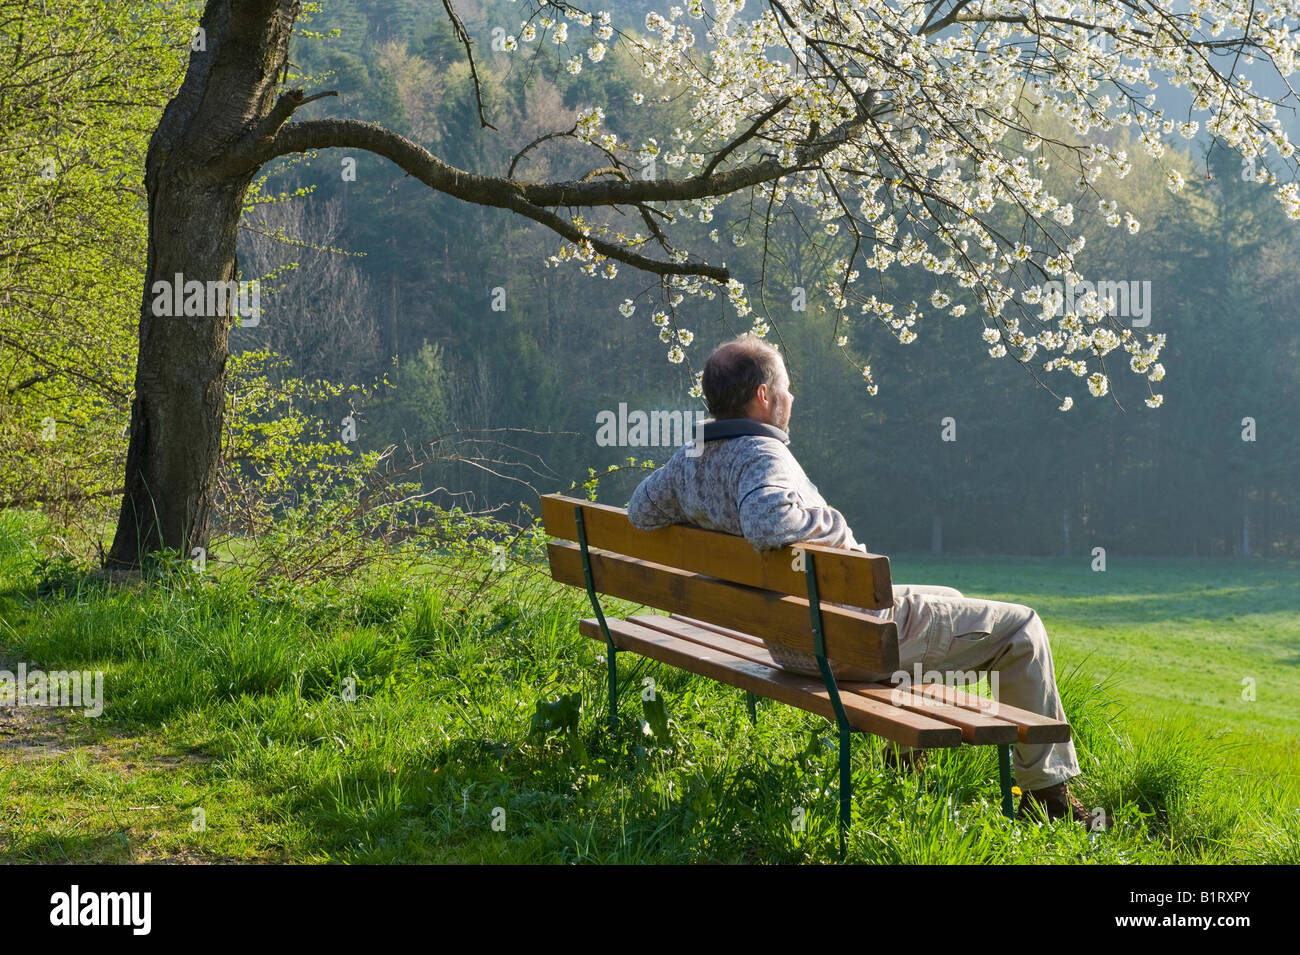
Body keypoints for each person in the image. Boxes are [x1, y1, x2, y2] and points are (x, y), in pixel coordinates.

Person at [626, 332, 1097, 828]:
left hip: (789, 639)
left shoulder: (693, 458)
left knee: (949, 598)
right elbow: (767, 522)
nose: (792, 397)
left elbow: (639, 512)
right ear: (763, 396)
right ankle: (1046, 794)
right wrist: (833, 524)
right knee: (1023, 627)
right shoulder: (761, 455)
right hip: (843, 644)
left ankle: (903, 763)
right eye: (785, 387)